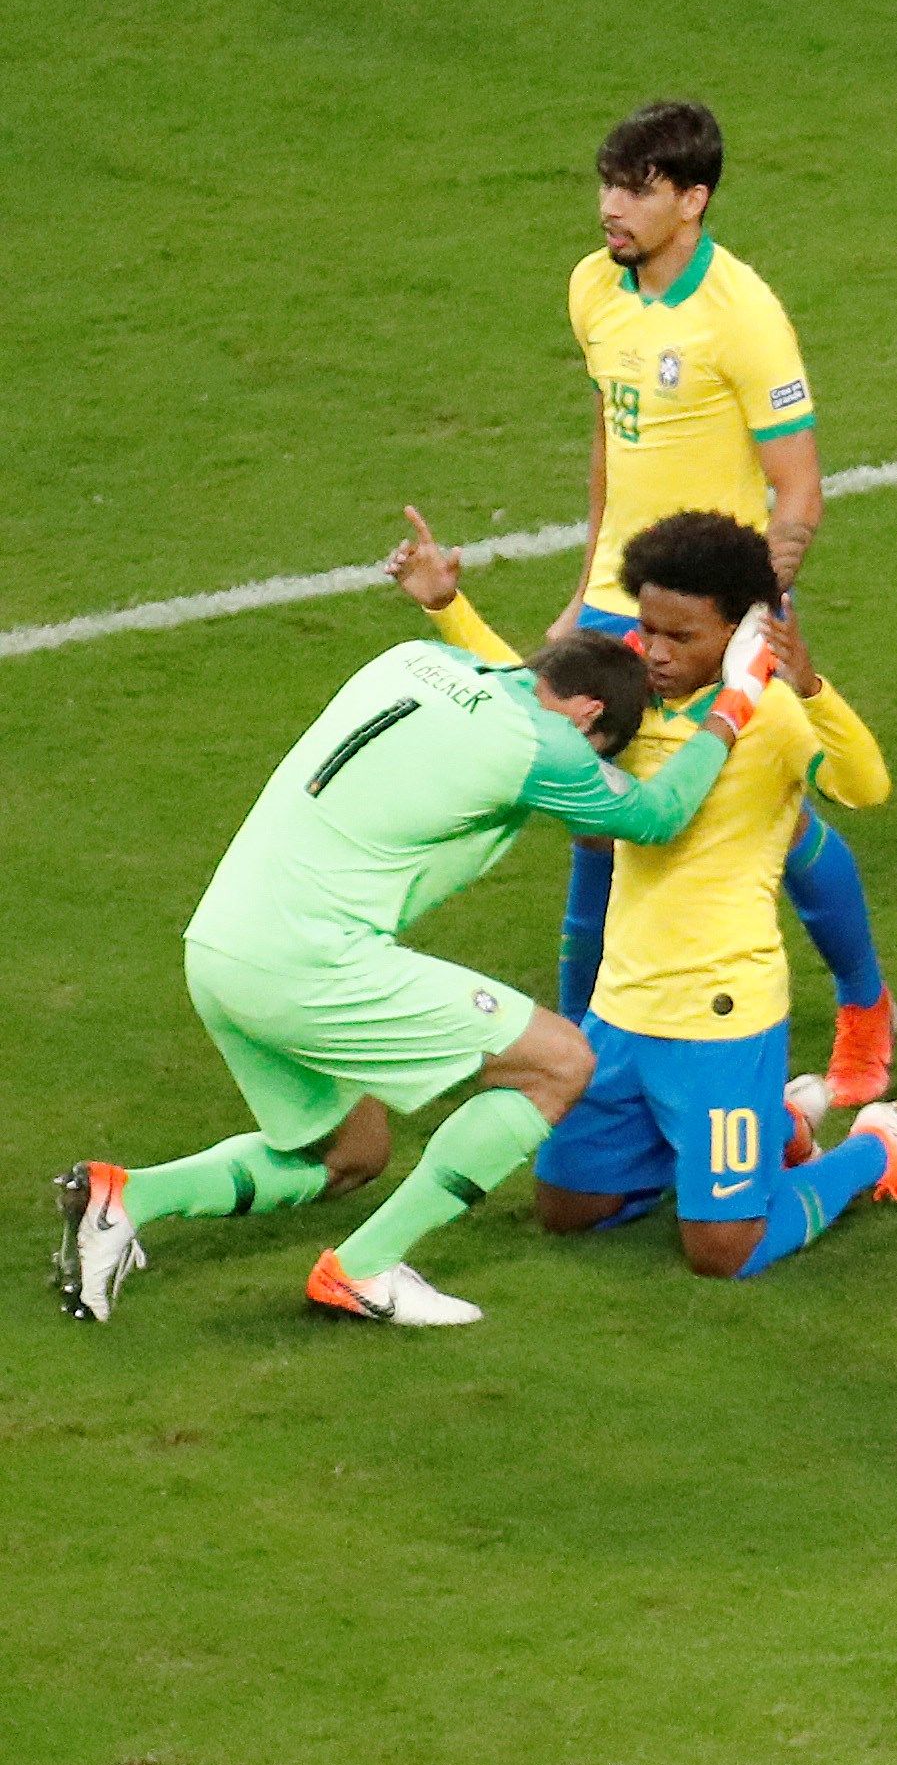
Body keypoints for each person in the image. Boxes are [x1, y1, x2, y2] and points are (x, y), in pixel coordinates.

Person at [51, 530, 764, 1327]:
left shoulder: (413, 660)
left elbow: (524, 680)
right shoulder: (546, 746)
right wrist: (735, 702)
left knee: (351, 1153)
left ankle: (124, 1197)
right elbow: (658, 816)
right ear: (588, 715)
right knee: (558, 1065)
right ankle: (363, 1269)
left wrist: (450, 608)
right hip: (309, 963)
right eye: (600, 751)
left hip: (219, 945)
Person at [413, 511, 897, 1270]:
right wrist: (447, 607)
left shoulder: (769, 714)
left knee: (721, 1249)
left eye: (683, 637)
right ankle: (764, 1135)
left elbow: (865, 785)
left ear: (742, 632)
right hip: (621, 1009)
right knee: (569, 1210)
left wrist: (809, 685)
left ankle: (877, 1152)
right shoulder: (629, 699)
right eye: (650, 629)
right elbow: (529, 696)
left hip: (722, 1015)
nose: (659, 653)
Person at [559, 101, 897, 1110]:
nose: (612, 208)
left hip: (718, 610)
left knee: (771, 823)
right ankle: (585, 1052)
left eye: (639, 190)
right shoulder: (592, 288)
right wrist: (584, 594)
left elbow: (798, 487)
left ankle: (865, 1008)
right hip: (623, 603)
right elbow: (610, 447)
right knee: (595, 820)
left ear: (693, 200)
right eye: (609, 184)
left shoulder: (742, 314)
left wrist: (761, 622)